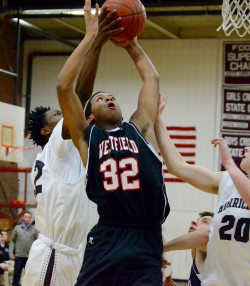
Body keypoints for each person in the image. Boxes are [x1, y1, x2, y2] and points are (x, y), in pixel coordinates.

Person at [56, 1, 170, 285]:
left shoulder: (140, 128)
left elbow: (151, 78)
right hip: (108, 235)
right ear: (90, 116)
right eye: (99, 98)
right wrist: (91, 38)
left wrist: (131, 44)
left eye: (112, 97)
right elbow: (63, 87)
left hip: (147, 235)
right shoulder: (87, 137)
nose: (108, 98)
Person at [21, 8, 123, 286]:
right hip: (54, 254)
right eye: (58, 114)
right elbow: (77, 96)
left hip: (71, 253)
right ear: (45, 130)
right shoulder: (57, 143)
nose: (65, 113)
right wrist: (95, 41)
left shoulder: (68, 151)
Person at [155, 96, 250, 285]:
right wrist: (157, 120)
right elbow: (178, 166)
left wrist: (230, 164)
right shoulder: (228, 181)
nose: (246, 148)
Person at [163, 212, 213, 286]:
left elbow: (205, 236)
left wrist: (156, 250)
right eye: (197, 220)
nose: (193, 221)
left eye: (205, 221)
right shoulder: (195, 252)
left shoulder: (216, 258)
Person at [9, 211, 39, 286]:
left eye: (29, 217)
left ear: (31, 219)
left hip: (29, 258)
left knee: (28, 278)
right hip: (18, 257)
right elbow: (12, 241)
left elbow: (38, 242)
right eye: (25, 217)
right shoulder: (17, 228)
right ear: (23, 218)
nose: (27, 218)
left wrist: (36, 255)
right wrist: (11, 253)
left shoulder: (34, 230)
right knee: (16, 277)